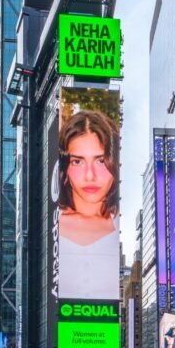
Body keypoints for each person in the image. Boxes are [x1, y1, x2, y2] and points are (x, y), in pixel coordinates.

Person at [57, 110, 121, 300]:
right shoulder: (53, 226)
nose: (90, 176)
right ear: (64, 167)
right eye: (77, 161)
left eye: (101, 161)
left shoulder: (117, 223)